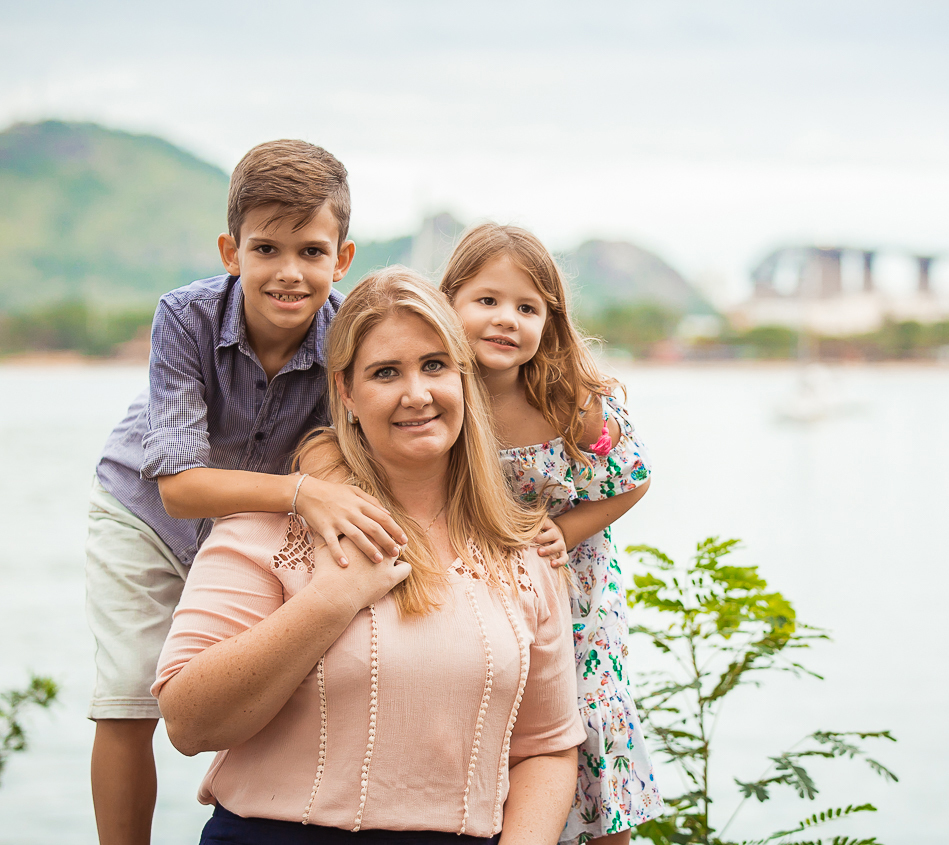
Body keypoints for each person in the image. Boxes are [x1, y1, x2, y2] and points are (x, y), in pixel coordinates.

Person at [153, 267, 585, 843]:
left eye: (435, 365)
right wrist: (334, 599)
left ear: (464, 379)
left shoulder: (522, 553)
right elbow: (187, 723)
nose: (417, 394)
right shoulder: (264, 531)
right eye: (386, 373)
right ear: (347, 394)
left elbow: (547, 749)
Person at [86, 140, 407, 845]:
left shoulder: (349, 331)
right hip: (143, 513)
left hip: (251, 528)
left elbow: (347, 446)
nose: (289, 272)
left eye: (312, 251)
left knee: (279, 672)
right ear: (232, 251)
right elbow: (177, 488)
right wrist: (301, 492)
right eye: (267, 249)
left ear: (342, 259)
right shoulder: (186, 316)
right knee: (129, 697)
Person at [441, 224, 663, 843]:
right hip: (482, 588)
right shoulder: (436, 396)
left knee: (588, 714)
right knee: (501, 719)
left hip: (573, 593)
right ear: (449, 301)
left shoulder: (571, 403)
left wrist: (566, 531)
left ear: (550, 322)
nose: (505, 319)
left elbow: (633, 479)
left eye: (526, 307)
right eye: (486, 300)